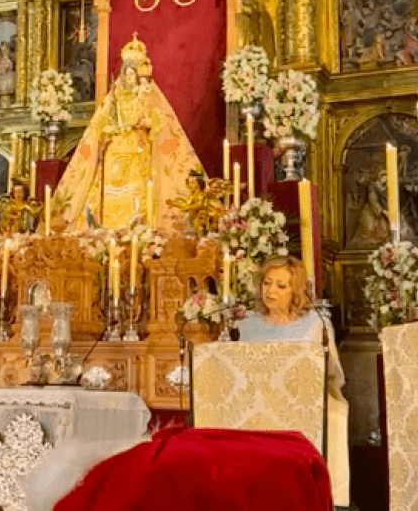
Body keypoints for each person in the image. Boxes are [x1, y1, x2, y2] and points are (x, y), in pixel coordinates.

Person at [50, 34, 204, 231]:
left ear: (138, 76)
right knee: (110, 187)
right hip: (115, 149)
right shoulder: (114, 97)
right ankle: (106, 228)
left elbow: (157, 121)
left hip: (137, 148)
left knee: (137, 187)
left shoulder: (147, 95)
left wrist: (144, 122)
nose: (129, 78)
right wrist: (110, 129)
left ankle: (139, 227)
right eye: (126, 73)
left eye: (133, 74)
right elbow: (100, 124)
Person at [235, 256, 351, 508]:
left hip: (303, 402)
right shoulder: (249, 325)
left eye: (281, 285)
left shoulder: (314, 324)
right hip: (258, 405)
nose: (270, 291)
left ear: (296, 291)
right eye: (266, 283)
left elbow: (332, 371)